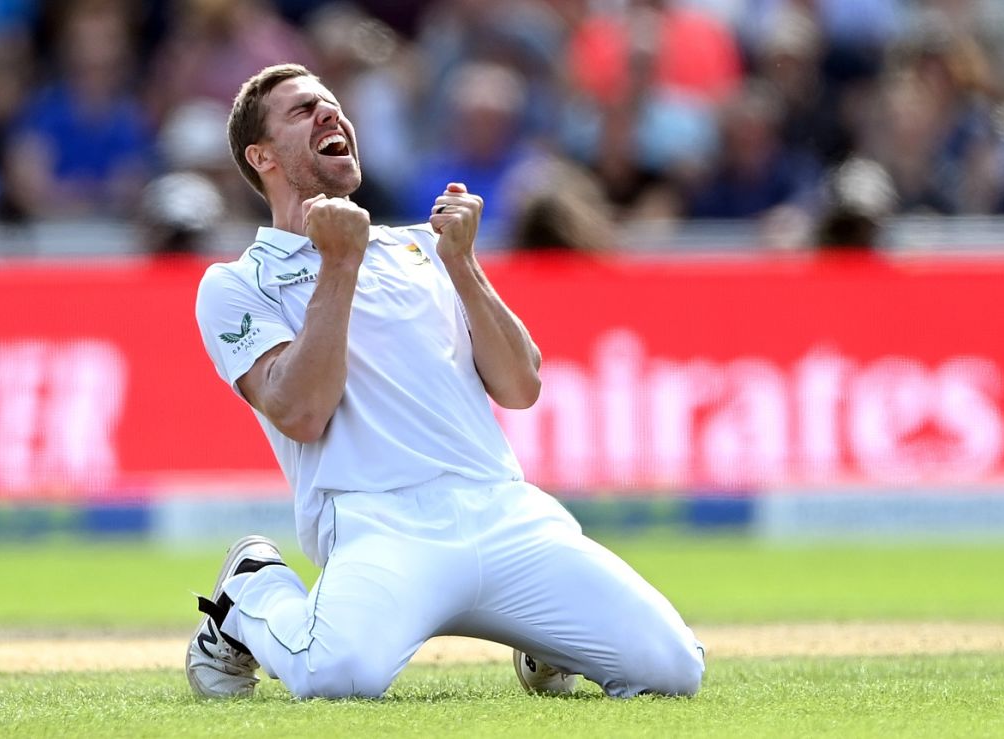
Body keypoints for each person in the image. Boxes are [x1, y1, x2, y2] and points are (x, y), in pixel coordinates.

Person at [189, 63, 704, 700]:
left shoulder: (424, 249)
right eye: (302, 111)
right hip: (377, 523)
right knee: (337, 679)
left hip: (502, 510)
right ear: (260, 156)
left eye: (332, 104)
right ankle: (252, 587)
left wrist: (463, 264)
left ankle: (545, 640)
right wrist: (338, 264)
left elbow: (521, 386)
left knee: (672, 670)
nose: (330, 114)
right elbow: (299, 413)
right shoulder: (237, 284)